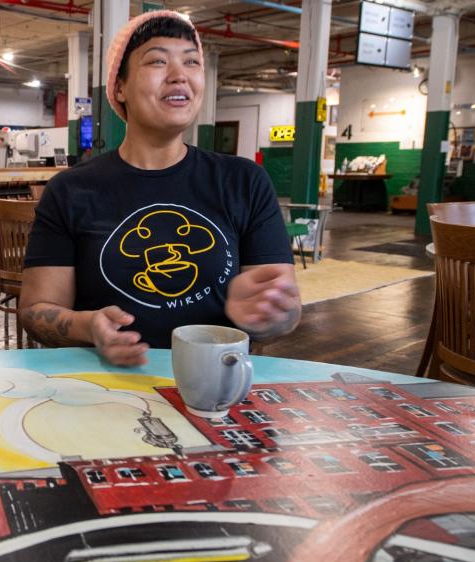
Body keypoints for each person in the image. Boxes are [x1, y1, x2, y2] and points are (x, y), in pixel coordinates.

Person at [19, 10, 300, 367]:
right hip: (103, 386)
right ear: (119, 87)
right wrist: (87, 325)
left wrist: (271, 314)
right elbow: (34, 312)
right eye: (157, 61)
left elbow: (287, 318)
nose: (179, 75)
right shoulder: (71, 189)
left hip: (215, 386)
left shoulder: (245, 181)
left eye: (192, 62)